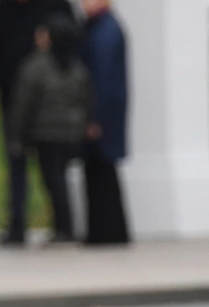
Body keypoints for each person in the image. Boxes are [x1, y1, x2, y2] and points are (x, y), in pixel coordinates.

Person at [0, 0, 76, 245]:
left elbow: (70, 44)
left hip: (48, 101)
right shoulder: (7, 8)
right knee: (15, 158)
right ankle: (17, 224)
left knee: (52, 166)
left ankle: (63, 225)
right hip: (13, 96)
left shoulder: (56, 6)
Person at [7, 17, 92, 245]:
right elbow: (84, 100)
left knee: (53, 182)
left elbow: (23, 103)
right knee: (60, 179)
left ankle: (63, 228)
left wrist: (16, 136)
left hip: (46, 134)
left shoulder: (36, 66)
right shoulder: (76, 66)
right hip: (69, 133)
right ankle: (65, 226)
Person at [80, 0, 130, 245]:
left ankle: (105, 233)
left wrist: (94, 118)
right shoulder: (100, 27)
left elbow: (102, 78)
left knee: (101, 175)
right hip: (105, 115)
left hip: (102, 117)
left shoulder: (104, 30)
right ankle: (107, 231)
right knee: (101, 174)